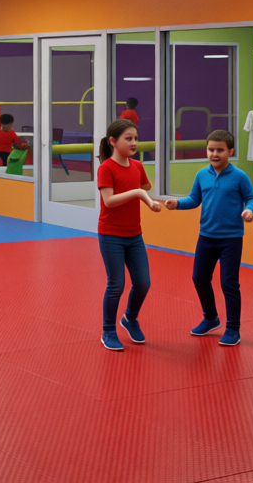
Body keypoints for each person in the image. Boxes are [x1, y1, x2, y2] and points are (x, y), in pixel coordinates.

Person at [163, 130, 253, 347]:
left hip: (231, 239)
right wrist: (177, 204)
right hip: (206, 237)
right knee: (199, 278)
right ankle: (211, 318)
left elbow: (251, 198)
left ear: (230, 151)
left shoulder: (239, 176)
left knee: (229, 283)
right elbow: (194, 199)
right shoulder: (201, 175)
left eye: (220, 150)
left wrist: (250, 210)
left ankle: (233, 328)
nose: (214, 154)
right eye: (211, 149)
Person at [96, 118, 161, 351]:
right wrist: (138, 193)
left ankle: (130, 319)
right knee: (116, 285)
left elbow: (145, 187)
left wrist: (147, 196)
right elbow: (109, 201)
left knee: (143, 282)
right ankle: (108, 331)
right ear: (113, 141)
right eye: (128, 138)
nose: (134, 142)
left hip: (135, 235)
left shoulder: (137, 165)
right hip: (111, 235)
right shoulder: (105, 168)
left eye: (135, 138)